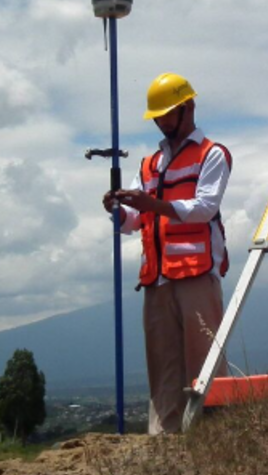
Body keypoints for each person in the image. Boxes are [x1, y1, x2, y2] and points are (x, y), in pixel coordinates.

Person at [103, 72, 231, 435]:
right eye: (156, 116)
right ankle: (166, 439)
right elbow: (133, 222)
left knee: (203, 362)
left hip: (195, 276)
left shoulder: (212, 155)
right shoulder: (148, 165)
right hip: (157, 279)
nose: (161, 122)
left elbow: (205, 207)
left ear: (187, 108)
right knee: (164, 366)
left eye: (166, 114)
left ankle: (215, 436)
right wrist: (117, 210)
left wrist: (152, 205)